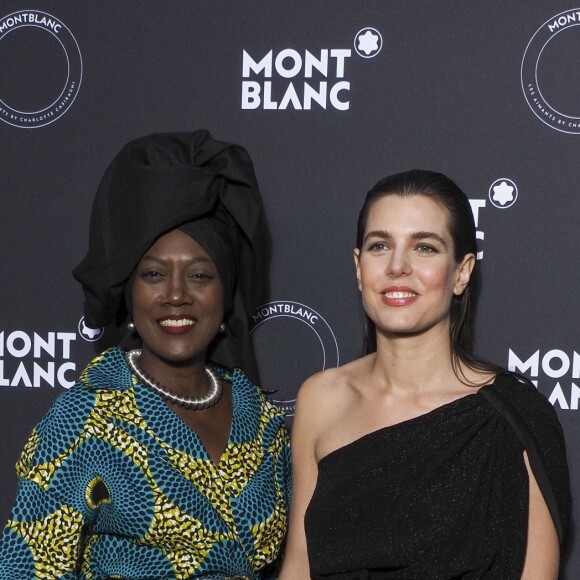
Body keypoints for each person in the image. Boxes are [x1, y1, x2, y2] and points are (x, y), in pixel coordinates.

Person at [0, 131, 291, 579]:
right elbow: (26, 568)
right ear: (130, 295)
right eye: (154, 274)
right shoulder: (87, 416)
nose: (176, 295)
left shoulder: (261, 418)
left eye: (199, 275)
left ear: (225, 293)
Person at [280, 170, 570, 579]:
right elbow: (298, 566)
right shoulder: (322, 398)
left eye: (425, 248)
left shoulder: (511, 416)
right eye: (380, 245)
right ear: (359, 267)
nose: (398, 266)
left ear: (462, 272)